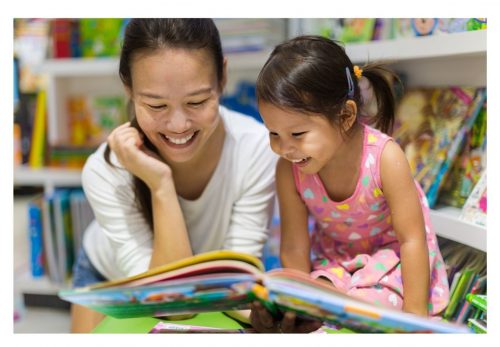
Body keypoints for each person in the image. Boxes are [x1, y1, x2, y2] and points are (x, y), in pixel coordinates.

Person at [71, 18, 277, 333]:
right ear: (129, 88)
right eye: (156, 105)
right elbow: (171, 306)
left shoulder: (256, 150)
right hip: (109, 278)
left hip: (209, 290)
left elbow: (235, 284)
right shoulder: (106, 171)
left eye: (197, 102)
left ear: (223, 76)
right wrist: (161, 185)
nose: (178, 125)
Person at [250, 35, 450, 332]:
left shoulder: (386, 158)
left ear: (345, 116)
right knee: (290, 291)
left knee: (369, 303)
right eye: (274, 134)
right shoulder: (288, 169)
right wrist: (295, 300)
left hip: (391, 262)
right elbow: (293, 247)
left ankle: (340, 309)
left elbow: (412, 240)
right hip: (336, 263)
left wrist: (415, 316)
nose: (283, 148)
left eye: (298, 134)